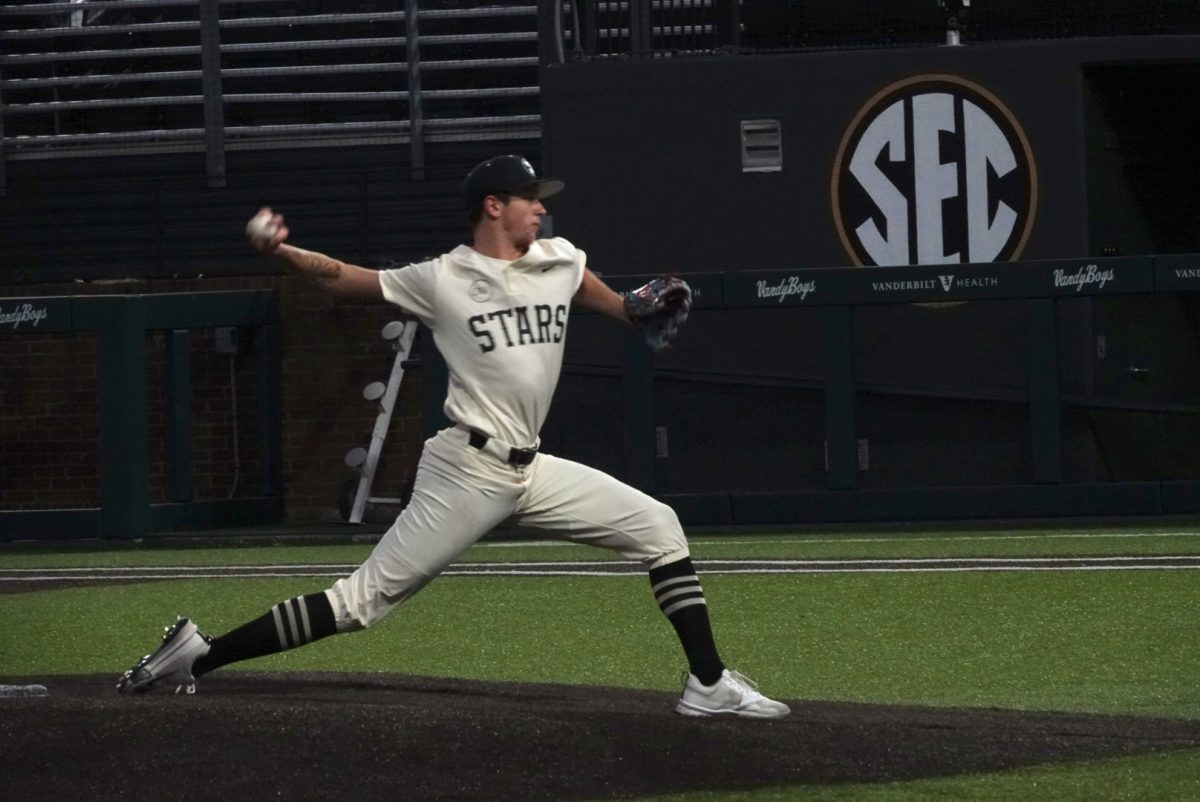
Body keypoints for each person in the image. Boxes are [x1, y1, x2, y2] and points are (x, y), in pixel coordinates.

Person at [116, 155, 789, 719]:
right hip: (465, 471)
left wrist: (627, 307)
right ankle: (199, 656)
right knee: (363, 602)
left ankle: (707, 685)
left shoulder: (556, 258)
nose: (539, 209)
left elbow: (588, 290)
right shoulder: (441, 279)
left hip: (531, 471)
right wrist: (282, 250)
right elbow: (346, 280)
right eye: (528, 199)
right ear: (492, 206)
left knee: (660, 527)